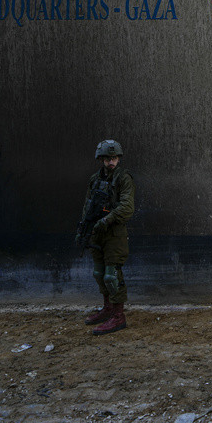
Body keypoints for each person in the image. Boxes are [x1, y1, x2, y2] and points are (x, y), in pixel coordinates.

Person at [77, 139, 135, 336]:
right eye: (108, 158)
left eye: (115, 158)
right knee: (99, 272)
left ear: (118, 158)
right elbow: (88, 205)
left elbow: (127, 207)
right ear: (101, 159)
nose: (111, 162)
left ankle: (118, 316)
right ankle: (108, 309)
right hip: (97, 232)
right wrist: (82, 229)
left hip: (114, 233)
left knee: (112, 275)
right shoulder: (95, 179)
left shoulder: (123, 178)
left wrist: (106, 221)